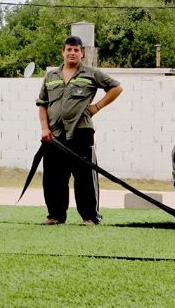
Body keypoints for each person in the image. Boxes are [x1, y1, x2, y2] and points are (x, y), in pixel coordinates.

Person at [35, 35, 123, 225]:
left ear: (82, 53)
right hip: (54, 135)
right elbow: (42, 104)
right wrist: (44, 128)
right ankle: (55, 215)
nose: (72, 53)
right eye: (69, 49)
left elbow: (116, 88)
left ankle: (89, 217)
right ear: (63, 52)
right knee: (53, 177)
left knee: (84, 177)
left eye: (76, 50)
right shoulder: (51, 76)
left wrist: (96, 107)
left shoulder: (91, 74)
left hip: (81, 132)